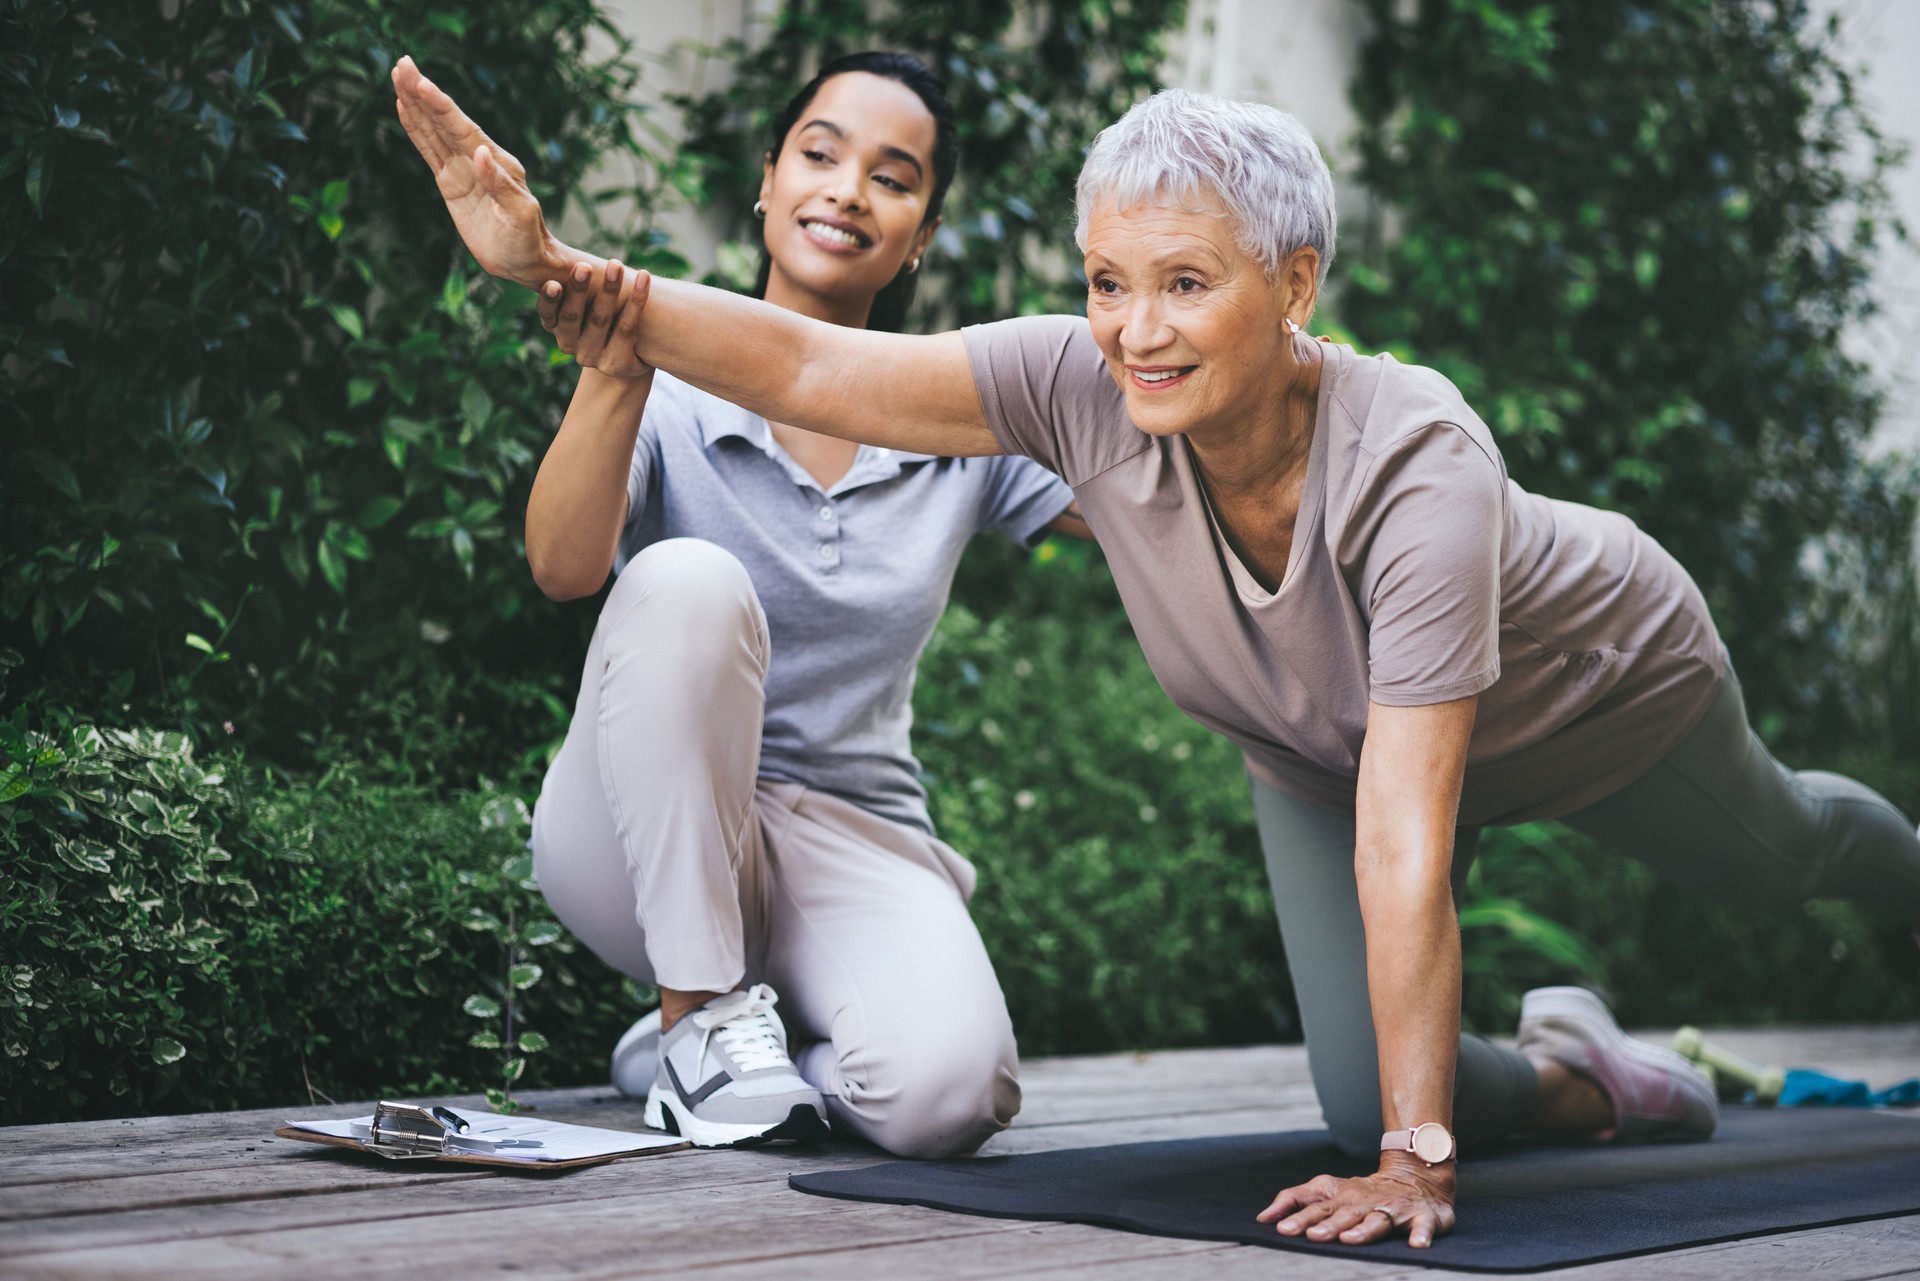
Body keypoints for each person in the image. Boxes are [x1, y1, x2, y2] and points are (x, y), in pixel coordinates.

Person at [395, 74, 1920, 1246]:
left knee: (1780, 850)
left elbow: (1411, 840)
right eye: (1109, 281)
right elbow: (806, 361)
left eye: (1186, 283)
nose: (1136, 329)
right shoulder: (1082, 383)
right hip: (1322, 744)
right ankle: (1592, 1068)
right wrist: (558, 269)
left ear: (1297, 285)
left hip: (1598, 692)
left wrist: (1415, 1164)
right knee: (1360, 1086)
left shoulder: (1418, 460)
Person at [394, 51, 1089, 1156]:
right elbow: (565, 567)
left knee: (949, 1102)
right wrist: (609, 360)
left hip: (855, 836)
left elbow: (1159, 510)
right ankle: (699, 1022)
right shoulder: (662, 377)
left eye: (894, 177)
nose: (849, 189)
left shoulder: (959, 415)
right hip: (638, 831)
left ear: (922, 232)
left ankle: (694, 1052)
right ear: (767, 181)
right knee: (686, 581)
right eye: (819, 154)